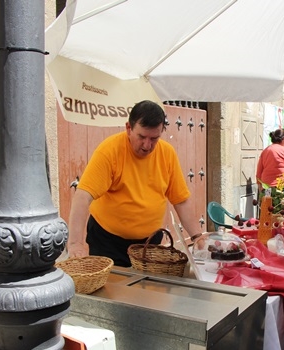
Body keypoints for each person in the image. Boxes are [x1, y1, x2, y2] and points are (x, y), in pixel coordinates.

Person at [67, 100, 203, 267]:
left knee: (148, 291)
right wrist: (75, 244)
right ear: (129, 128)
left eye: (154, 138)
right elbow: (83, 196)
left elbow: (181, 200)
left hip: (149, 244)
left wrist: (197, 237)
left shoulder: (167, 154)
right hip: (108, 241)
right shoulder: (109, 151)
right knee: (113, 291)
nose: (147, 145)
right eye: (141, 137)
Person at [256, 128, 284, 211]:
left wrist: (260, 187)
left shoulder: (265, 151)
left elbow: (259, 171)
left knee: (268, 213)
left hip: (268, 187)